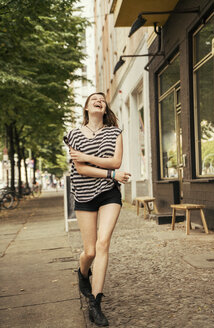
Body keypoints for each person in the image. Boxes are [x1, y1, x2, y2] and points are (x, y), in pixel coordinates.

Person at [66, 92, 131, 327]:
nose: (99, 100)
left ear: (105, 109)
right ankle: (82, 272)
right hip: (84, 195)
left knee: (103, 244)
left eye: (102, 100)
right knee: (90, 252)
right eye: (94, 98)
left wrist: (88, 158)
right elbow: (81, 170)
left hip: (108, 193)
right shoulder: (73, 135)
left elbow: (116, 162)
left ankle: (96, 303)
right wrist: (112, 173)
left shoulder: (115, 132)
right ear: (86, 107)